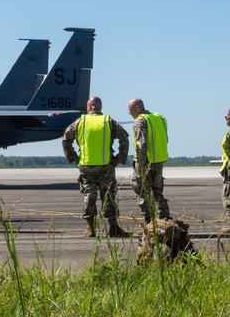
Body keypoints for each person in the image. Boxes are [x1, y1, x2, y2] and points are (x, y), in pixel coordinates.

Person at [62, 97, 131, 238]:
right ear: (100, 107)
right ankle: (113, 228)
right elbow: (124, 137)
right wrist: (119, 158)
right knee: (109, 196)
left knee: (89, 195)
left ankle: (90, 229)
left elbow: (65, 139)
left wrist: (74, 158)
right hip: (106, 166)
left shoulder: (80, 122)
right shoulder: (108, 121)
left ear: (89, 107)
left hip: (86, 166)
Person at [127, 98, 171, 223]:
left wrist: (140, 163)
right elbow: (165, 138)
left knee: (142, 193)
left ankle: (149, 224)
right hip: (158, 161)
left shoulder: (140, 120)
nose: (129, 114)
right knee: (157, 192)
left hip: (145, 162)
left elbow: (142, 144)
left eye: (130, 110)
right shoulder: (160, 117)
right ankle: (165, 219)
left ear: (137, 107)